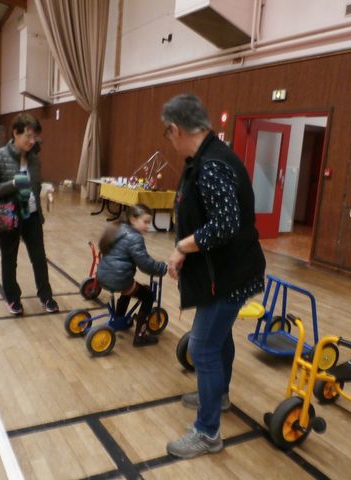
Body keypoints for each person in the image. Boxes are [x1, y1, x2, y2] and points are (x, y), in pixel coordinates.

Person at [162, 94, 266, 459]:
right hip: (228, 270)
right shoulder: (208, 157)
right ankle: (218, 396)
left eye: (167, 134)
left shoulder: (212, 166)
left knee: (202, 346)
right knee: (218, 338)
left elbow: (224, 225)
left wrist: (182, 247)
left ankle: (207, 433)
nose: (169, 140)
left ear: (175, 129)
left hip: (230, 275)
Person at [0, 113, 59, 316]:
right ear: (15, 133)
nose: (32, 141)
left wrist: (41, 207)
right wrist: (13, 184)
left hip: (31, 215)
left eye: (35, 137)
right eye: (28, 136)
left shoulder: (35, 160)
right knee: (9, 259)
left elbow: (35, 186)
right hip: (8, 215)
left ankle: (46, 296)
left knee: (39, 257)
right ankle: (13, 299)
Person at [96, 204, 168, 346]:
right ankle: (140, 336)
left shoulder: (118, 228)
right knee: (148, 296)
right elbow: (145, 265)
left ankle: (119, 318)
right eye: (145, 222)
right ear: (133, 220)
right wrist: (162, 268)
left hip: (102, 276)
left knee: (130, 287)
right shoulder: (135, 238)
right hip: (118, 279)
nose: (148, 226)